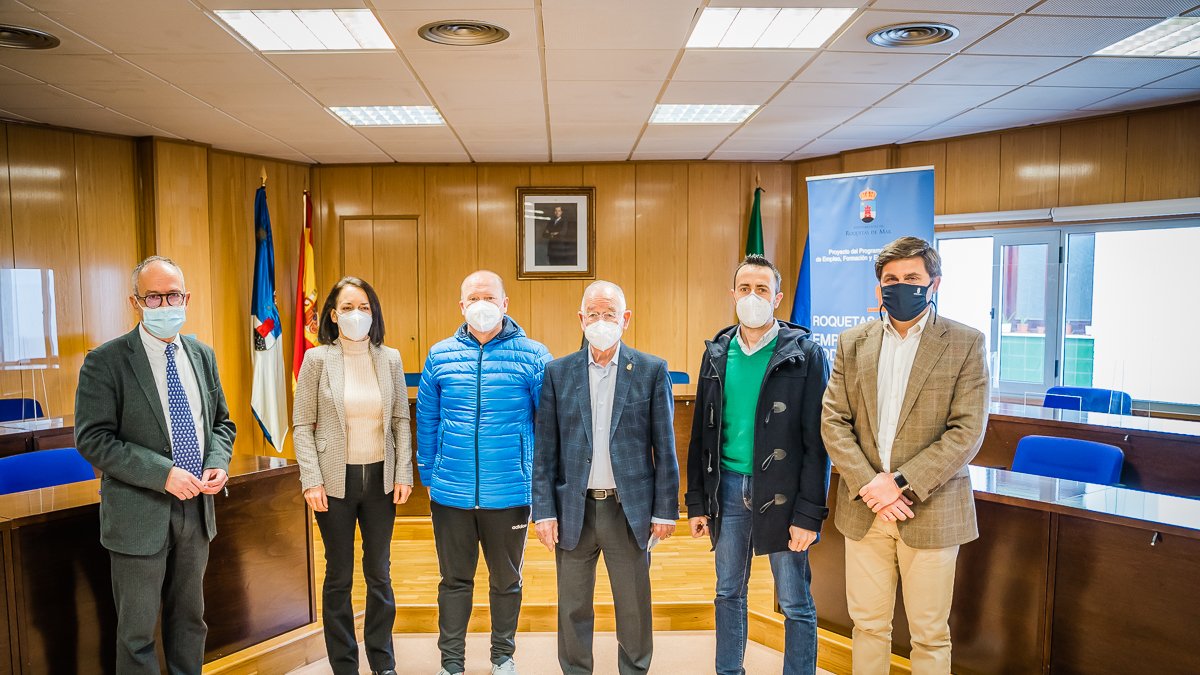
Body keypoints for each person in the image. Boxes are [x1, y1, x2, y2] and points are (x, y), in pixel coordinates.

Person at [821, 236, 989, 674]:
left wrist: (898, 483)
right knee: (868, 626)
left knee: (930, 635)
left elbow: (967, 431)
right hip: (866, 510)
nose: (901, 286)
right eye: (891, 279)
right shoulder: (852, 342)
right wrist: (871, 484)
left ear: (934, 283)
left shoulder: (965, 342)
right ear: (879, 289)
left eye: (912, 278)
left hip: (931, 510)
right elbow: (833, 420)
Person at [74, 255, 236, 675]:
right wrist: (161, 472)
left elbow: (221, 422)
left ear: (188, 297)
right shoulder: (105, 361)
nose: (166, 305)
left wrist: (217, 462)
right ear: (136, 302)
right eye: (155, 297)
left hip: (196, 511)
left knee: (189, 622)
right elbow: (92, 439)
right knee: (137, 634)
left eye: (174, 295)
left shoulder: (202, 354)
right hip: (137, 515)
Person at [685, 254, 831, 675]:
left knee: (794, 601)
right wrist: (697, 502)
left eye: (762, 289)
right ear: (732, 295)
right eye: (745, 289)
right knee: (728, 591)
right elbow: (700, 436)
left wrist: (809, 515)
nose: (753, 297)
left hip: (782, 493)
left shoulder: (805, 354)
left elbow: (816, 444)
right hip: (727, 489)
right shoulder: (716, 352)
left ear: (778, 298)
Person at [532, 280, 679, 675]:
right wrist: (543, 511)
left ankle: (635, 669)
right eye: (593, 314)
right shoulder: (557, 373)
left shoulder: (651, 370)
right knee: (573, 606)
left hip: (626, 511)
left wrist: (665, 510)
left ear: (625, 319)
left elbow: (665, 448)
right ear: (581, 319)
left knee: (633, 607)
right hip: (572, 512)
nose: (601, 321)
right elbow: (545, 452)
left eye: (609, 314)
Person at [416, 270, 552, 675]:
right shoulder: (440, 355)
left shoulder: (533, 355)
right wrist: (429, 473)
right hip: (451, 494)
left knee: (506, 582)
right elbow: (426, 419)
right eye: (474, 298)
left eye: (490, 297)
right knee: (453, 582)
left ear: (505, 304)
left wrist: (541, 485)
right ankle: (452, 663)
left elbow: (550, 426)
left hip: (510, 492)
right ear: (461, 306)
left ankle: (502, 657)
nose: (482, 304)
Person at [293, 276, 413, 675]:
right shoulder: (316, 360)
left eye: (363, 307)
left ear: (374, 313)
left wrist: (404, 472)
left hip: (381, 481)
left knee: (379, 573)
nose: (356, 314)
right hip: (333, 484)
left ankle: (383, 662)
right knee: (338, 575)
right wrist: (311, 479)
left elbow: (400, 420)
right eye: (347, 308)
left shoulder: (390, 358)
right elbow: (302, 425)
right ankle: (344, 665)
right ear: (333, 314)